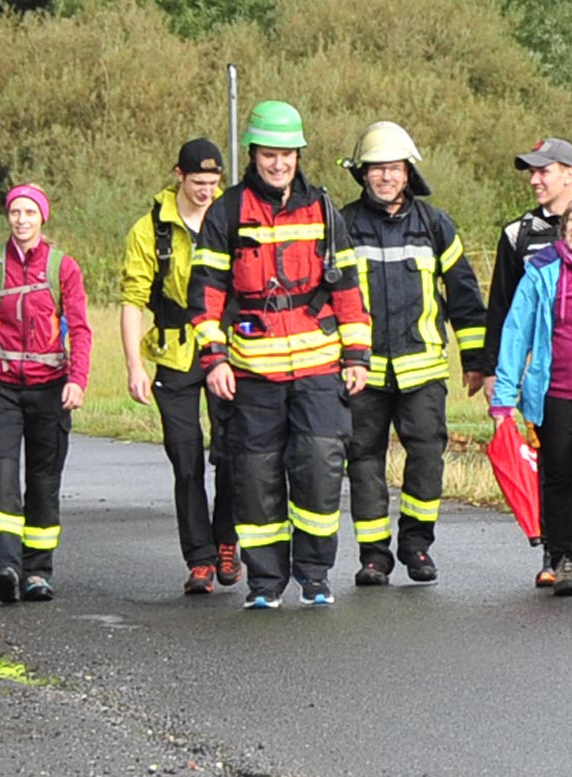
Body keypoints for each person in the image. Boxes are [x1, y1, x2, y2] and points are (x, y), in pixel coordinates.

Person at [187, 100, 371, 610]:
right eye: (269, 154)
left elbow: (349, 288)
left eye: (287, 155)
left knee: (318, 471)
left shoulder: (323, 210)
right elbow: (205, 292)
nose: (278, 164)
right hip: (253, 372)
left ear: (298, 155)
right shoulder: (226, 211)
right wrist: (215, 358)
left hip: (319, 369)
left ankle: (314, 577)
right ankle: (265, 584)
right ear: (254, 154)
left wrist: (356, 356)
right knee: (256, 477)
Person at [338, 121, 487, 586]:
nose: (385, 176)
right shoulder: (341, 225)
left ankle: (417, 546)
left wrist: (477, 361)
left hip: (422, 369)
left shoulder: (435, 225)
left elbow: (463, 293)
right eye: (377, 168)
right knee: (364, 461)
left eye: (394, 168)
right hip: (363, 372)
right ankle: (374, 557)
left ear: (408, 173)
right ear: (363, 174)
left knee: (426, 457)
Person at [483, 138, 572, 587]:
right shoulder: (517, 234)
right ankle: (558, 556)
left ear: (570, 174)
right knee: (557, 466)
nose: (535, 180)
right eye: (532, 172)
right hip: (543, 379)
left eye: (543, 171)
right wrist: (492, 371)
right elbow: (503, 311)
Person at [0, 183, 92, 604]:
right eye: (16, 213)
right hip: (0, 388)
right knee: (4, 477)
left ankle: (37, 573)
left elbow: (80, 329)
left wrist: (77, 380)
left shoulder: (63, 268)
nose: (22, 220)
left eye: (30, 213)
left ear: (42, 218)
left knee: (44, 482)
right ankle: (5, 568)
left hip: (50, 390)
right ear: (8, 217)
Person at [120, 138, 242, 596]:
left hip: (227, 351)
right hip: (173, 353)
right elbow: (132, 301)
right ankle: (200, 559)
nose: (206, 191)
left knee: (232, 451)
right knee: (185, 457)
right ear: (178, 176)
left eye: (213, 183)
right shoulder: (149, 230)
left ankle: (227, 540)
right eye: (198, 182)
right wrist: (135, 365)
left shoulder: (230, 219)